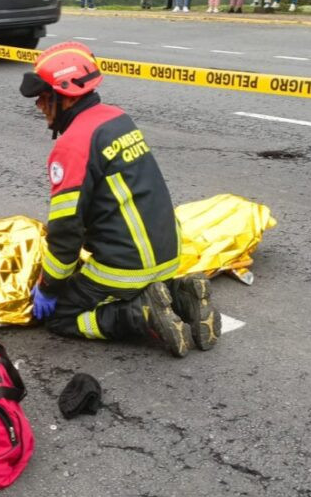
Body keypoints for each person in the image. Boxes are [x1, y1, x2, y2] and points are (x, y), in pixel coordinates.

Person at [18, 41, 221, 357]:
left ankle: (142, 315)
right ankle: (182, 296)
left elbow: (66, 232)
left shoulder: (73, 145)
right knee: (122, 282)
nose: (39, 105)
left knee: (61, 316)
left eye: (44, 96)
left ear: (66, 95)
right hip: (168, 254)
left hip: (127, 266)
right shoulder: (118, 119)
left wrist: (49, 286)